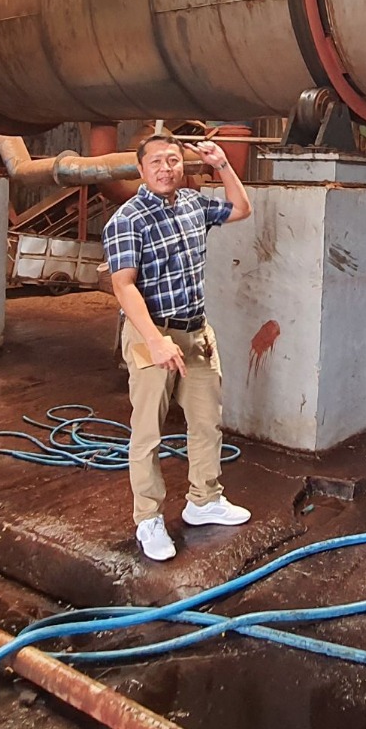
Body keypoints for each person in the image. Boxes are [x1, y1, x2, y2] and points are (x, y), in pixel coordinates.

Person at [103, 133, 254, 561]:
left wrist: (222, 164)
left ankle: (203, 501)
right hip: (153, 334)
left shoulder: (192, 204)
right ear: (141, 169)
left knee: (207, 422)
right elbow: (123, 286)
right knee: (148, 432)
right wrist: (155, 341)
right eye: (157, 162)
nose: (166, 168)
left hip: (196, 333)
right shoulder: (128, 219)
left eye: (173, 160)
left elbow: (242, 208)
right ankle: (148, 519)